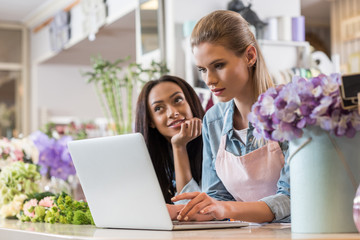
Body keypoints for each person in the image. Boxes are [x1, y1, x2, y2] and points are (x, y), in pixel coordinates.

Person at [171, 10, 290, 223]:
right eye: (202, 70)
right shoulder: (213, 121)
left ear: (250, 56)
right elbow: (217, 197)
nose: (209, 80)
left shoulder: (289, 110)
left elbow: (291, 198)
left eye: (219, 65)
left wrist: (226, 208)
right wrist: (172, 211)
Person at [135, 75, 205, 204]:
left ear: (191, 102)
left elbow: (189, 207)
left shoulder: (215, 143)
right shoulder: (153, 158)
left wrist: (179, 147)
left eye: (178, 100)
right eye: (158, 108)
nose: (172, 113)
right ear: (151, 121)